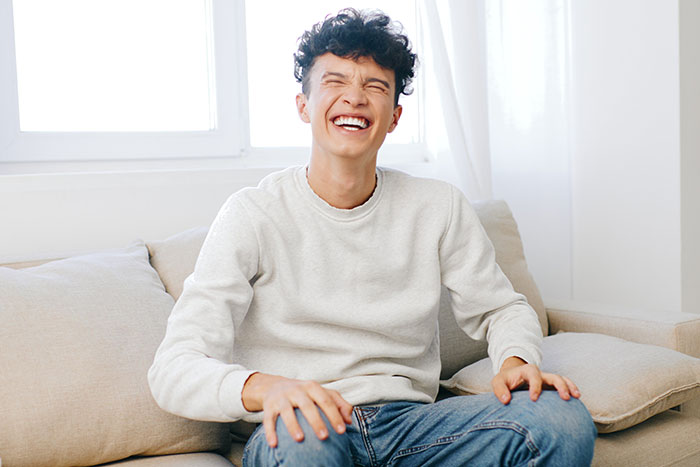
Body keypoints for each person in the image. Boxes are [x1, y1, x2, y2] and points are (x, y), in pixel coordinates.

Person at [149, 8, 597, 466]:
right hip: (306, 429)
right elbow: (173, 368)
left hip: (413, 428)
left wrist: (516, 362)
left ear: (395, 116)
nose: (355, 98)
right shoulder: (252, 213)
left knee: (560, 419)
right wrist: (267, 387)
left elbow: (502, 308)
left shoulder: (438, 206)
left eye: (375, 86)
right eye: (336, 81)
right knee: (304, 444)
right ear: (303, 106)